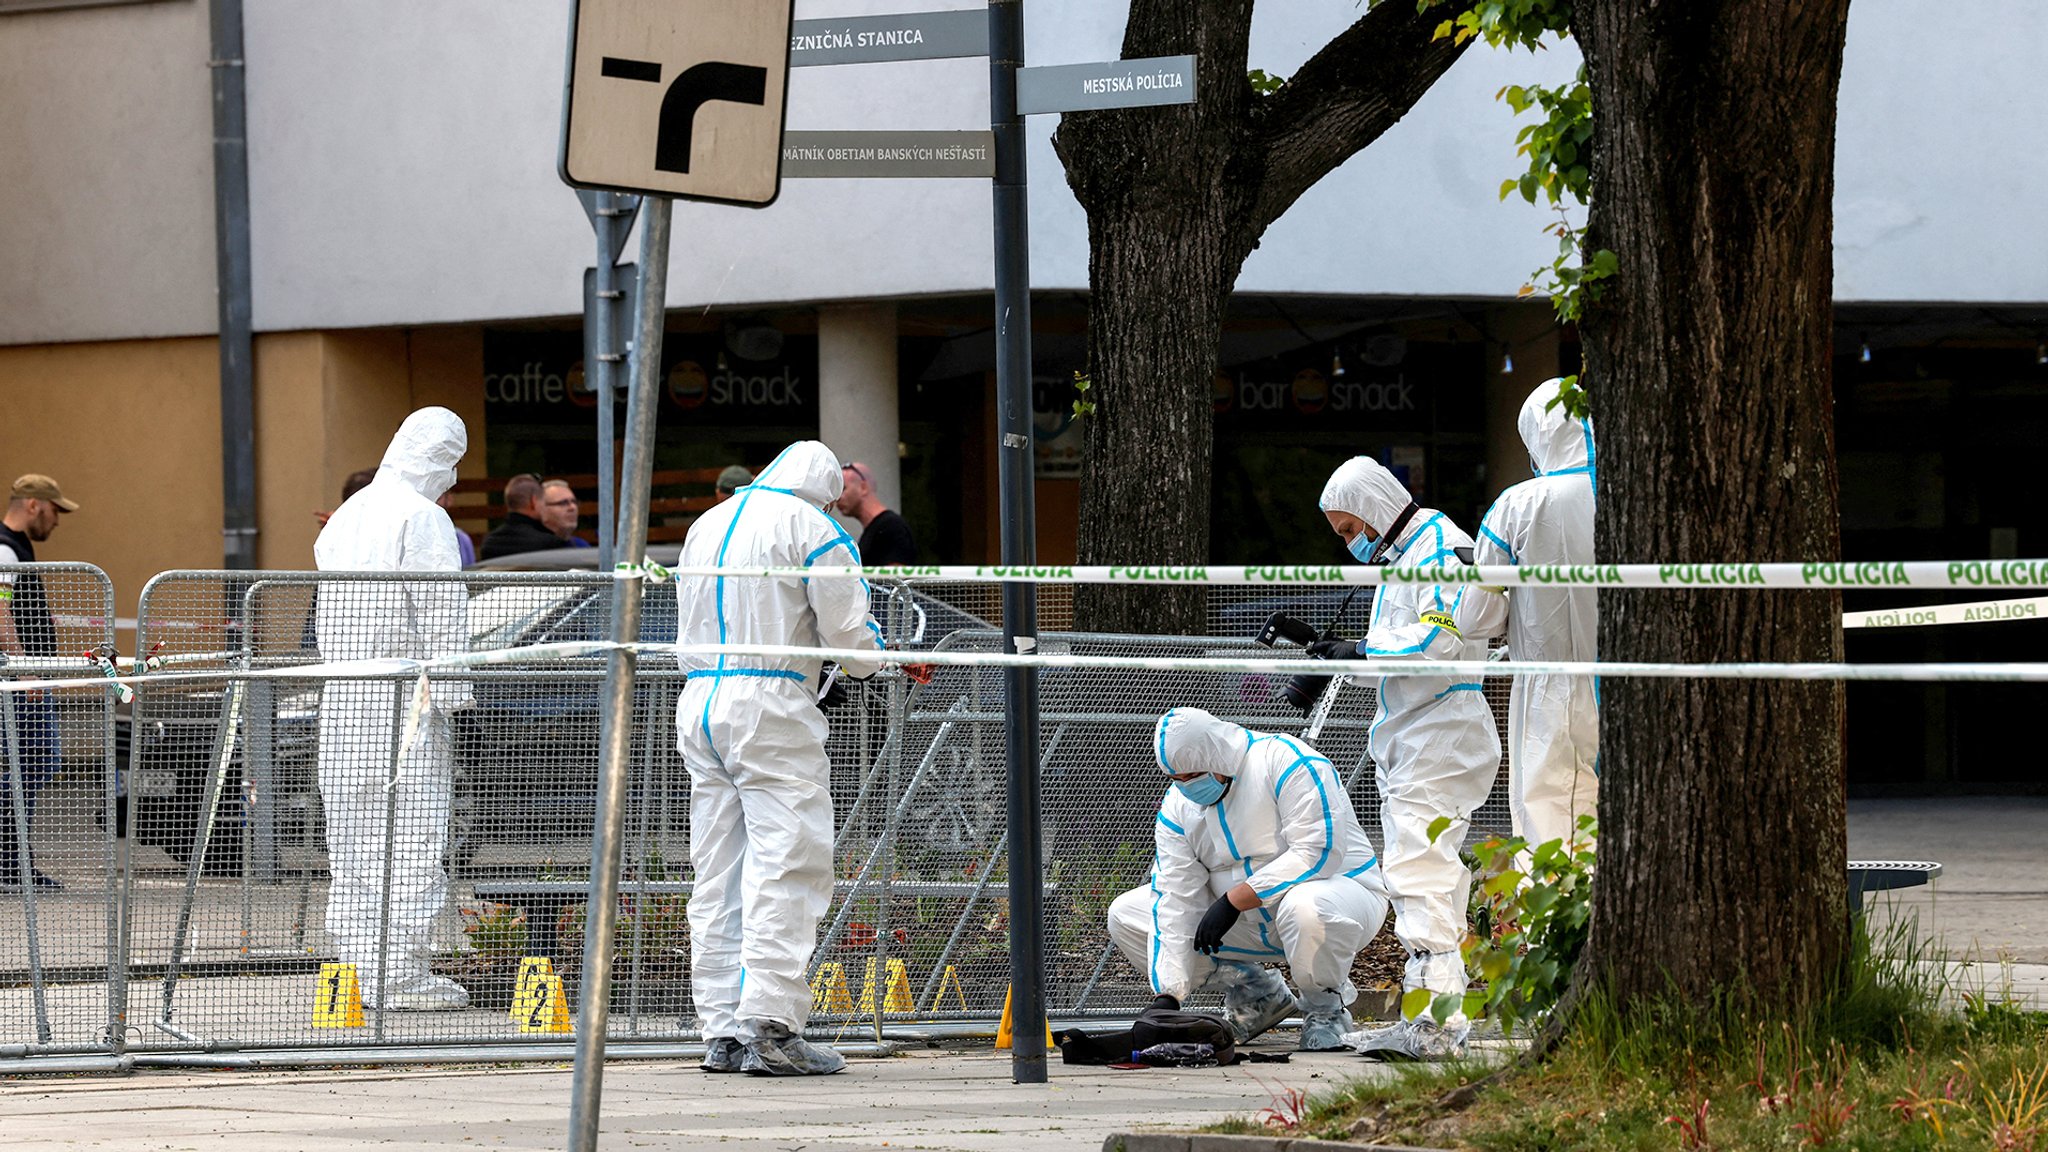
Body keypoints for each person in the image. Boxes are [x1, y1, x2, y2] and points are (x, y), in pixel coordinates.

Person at [675, 440, 888, 1076]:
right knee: (787, 860)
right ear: (822, 492)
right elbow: (850, 633)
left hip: (700, 697)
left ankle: (721, 1028)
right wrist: (879, 660)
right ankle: (772, 1024)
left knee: (718, 871)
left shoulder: (707, 525)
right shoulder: (812, 526)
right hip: (771, 702)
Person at [1314, 455, 1506, 1060]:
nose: (1352, 544)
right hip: (1415, 732)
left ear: (1373, 509)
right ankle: (1433, 1019)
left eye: (1350, 530)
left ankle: (1437, 1025)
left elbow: (1434, 642)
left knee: (1422, 873)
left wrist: (1359, 649)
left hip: (1442, 729)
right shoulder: (1405, 558)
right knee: (1421, 875)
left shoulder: (1439, 549)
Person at [1106, 708, 1391, 1052]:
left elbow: (1318, 850)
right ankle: (1256, 993)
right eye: (1177, 779)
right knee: (1128, 913)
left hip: (1342, 896)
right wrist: (1169, 994)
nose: (1187, 786)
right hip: (1247, 921)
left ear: (1219, 756)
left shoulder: (1286, 761)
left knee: (1307, 908)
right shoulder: (1177, 806)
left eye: (1194, 774)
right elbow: (1175, 895)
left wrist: (1233, 900)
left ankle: (1325, 1009)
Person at [314, 408, 474, 1010]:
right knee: (412, 834)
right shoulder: (423, 517)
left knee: (352, 837)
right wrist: (456, 697)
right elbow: (441, 613)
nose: (453, 482)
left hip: (344, 695)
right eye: (452, 466)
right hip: (406, 699)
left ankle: (355, 968)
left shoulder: (349, 515)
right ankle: (400, 974)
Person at [1476, 383, 1598, 853]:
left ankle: (1559, 925)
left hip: (1549, 686)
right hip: (1633, 679)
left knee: (1550, 816)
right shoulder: (1638, 494)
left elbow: (1480, 613)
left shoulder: (1519, 503)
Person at [0, 475, 78, 893]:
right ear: (33, 504)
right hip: (18, 682)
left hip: (24, 678)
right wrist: (23, 668)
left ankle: (14, 861)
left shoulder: (15, 548)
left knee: (32, 765)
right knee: (23, 767)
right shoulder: (5, 550)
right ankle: (11, 864)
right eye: (54, 510)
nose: (58, 521)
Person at [835, 461, 916, 565]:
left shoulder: (891, 527)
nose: (837, 498)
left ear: (863, 487)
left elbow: (896, 577)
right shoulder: (881, 528)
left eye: (843, 489)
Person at [478, 473, 560, 560]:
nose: (545, 508)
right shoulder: (549, 544)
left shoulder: (490, 543)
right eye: (544, 502)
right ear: (534, 502)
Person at [537, 480, 591, 548]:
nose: (572, 507)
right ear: (542, 509)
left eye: (574, 502)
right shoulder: (532, 548)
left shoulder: (581, 546)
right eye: (563, 503)